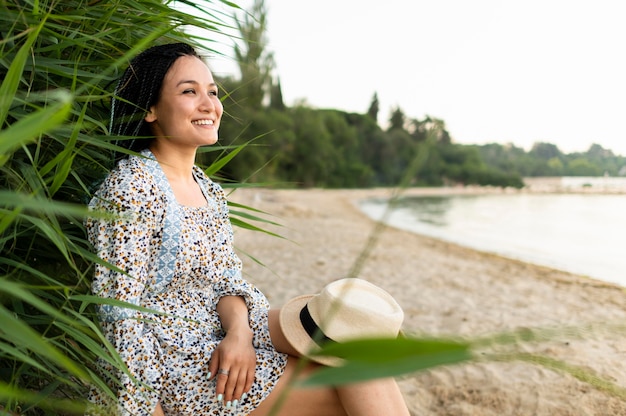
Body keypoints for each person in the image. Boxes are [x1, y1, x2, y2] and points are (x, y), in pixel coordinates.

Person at [85, 42, 410, 416]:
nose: (209, 104)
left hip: (219, 325)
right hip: (173, 359)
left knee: (353, 340)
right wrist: (147, 407)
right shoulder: (131, 189)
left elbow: (226, 281)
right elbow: (119, 317)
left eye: (212, 92)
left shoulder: (208, 189)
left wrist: (240, 335)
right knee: (359, 375)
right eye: (189, 91)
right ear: (150, 110)